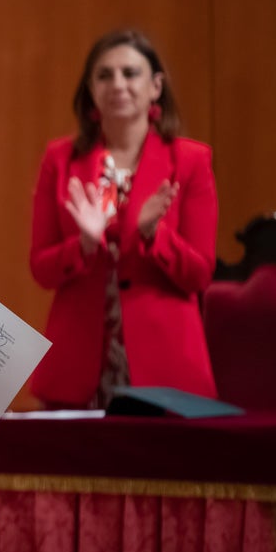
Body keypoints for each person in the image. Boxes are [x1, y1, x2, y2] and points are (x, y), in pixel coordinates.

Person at [29, 28, 219, 409]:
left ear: (155, 86)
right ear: (91, 90)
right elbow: (42, 269)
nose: (118, 83)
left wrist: (154, 234)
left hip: (164, 364)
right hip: (80, 362)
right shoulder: (60, 159)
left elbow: (199, 275)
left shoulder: (191, 161)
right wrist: (83, 243)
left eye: (130, 73)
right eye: (104, 74)